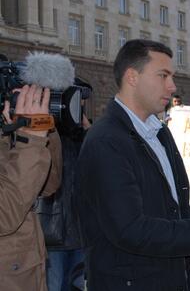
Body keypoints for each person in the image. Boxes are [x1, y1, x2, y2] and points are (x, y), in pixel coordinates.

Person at [75, 39, 190, 291]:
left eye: (172, 76)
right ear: (132, 77)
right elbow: (129, 229)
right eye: (163, 76)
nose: (172, 86)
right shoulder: (105, 140)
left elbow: (176, 204)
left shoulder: (159, 132)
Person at [0, 85, 62, 291]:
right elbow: (5, 213)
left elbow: (46, 186)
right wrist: (32, 140)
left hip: (27, 274)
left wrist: (43, 126)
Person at [42, 78, 93, 291]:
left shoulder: (84, 136)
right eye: (77, 100)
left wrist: (89, 132)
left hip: (81, 232)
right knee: (54, 286)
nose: (80, 106)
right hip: (53, 232)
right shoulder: (47, 136)